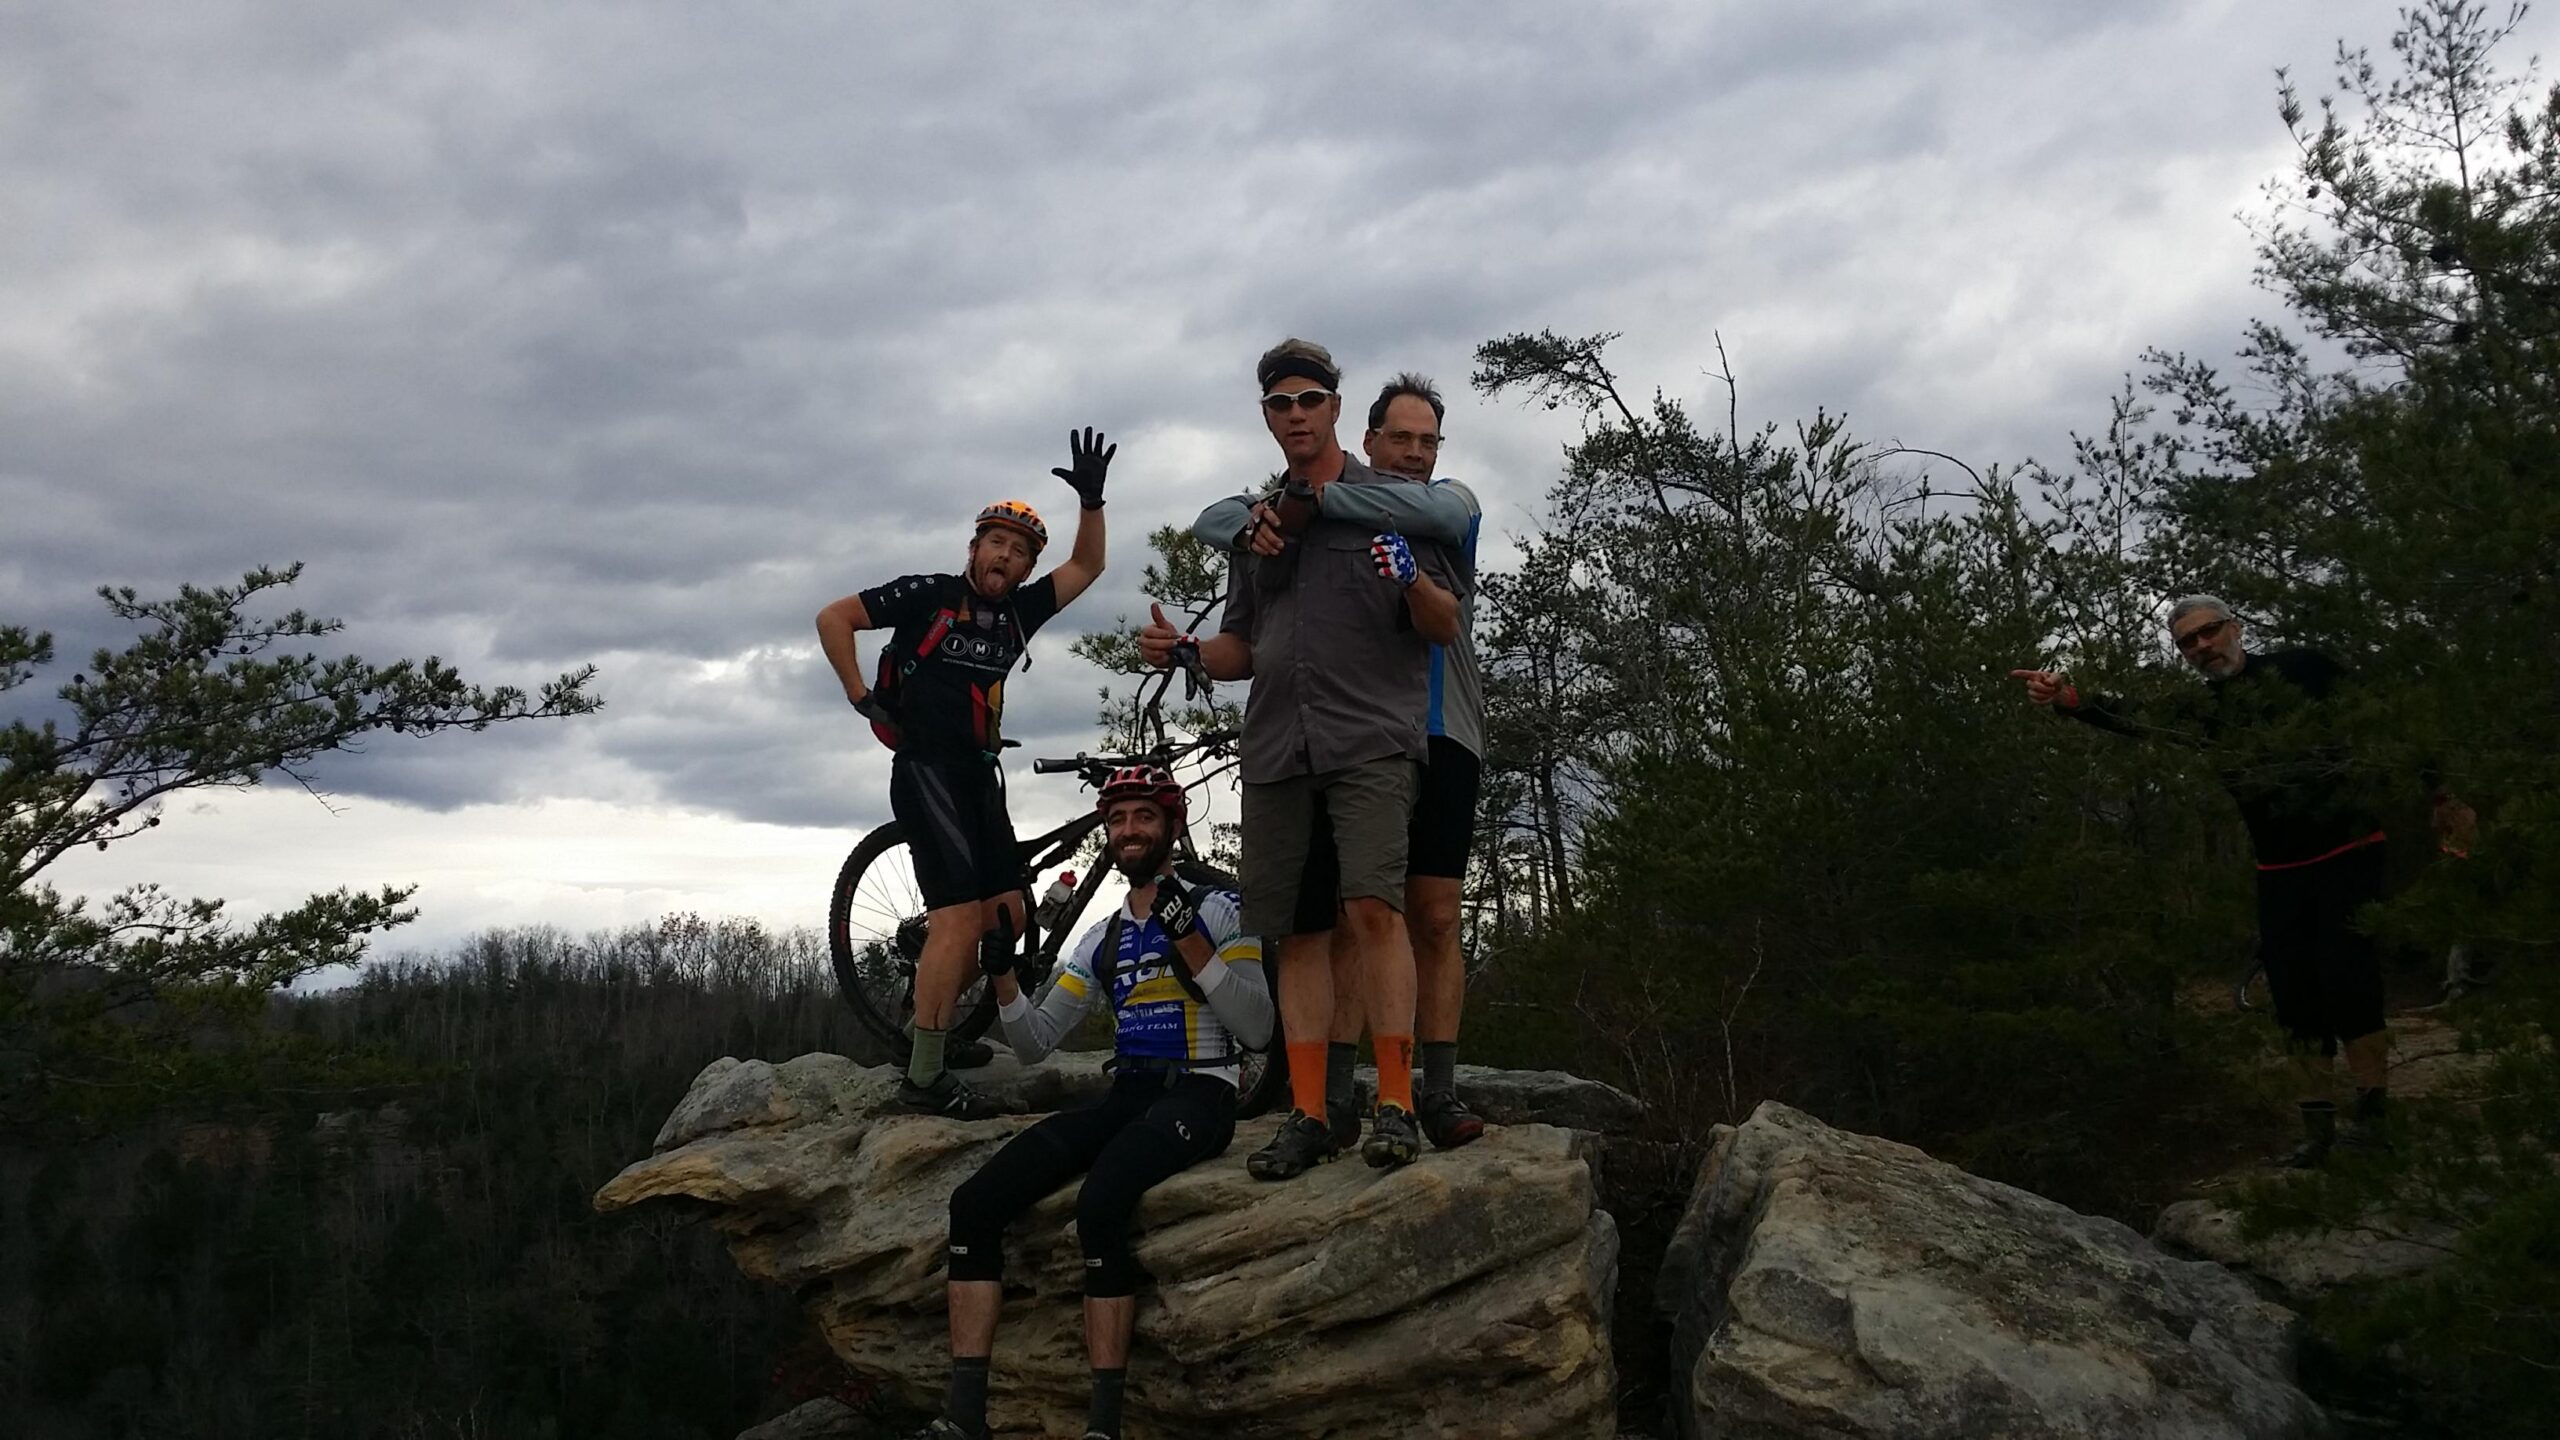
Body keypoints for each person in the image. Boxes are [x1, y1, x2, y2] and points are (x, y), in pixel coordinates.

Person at [1142, 339, 1459, 1178]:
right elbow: (1243, 647)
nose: (1296, 415)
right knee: (1299, 935)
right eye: (1280, 404)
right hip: (1279, 746)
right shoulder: (1257, 527)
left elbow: (1443, 625)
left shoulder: (1393, 503)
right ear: (1267, 417)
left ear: (1335, 409)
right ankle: (1310, 1113)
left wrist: (1411, 580)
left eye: (1310, 400)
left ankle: (1396, 1104)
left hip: (1370, 741)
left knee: (1375, 913)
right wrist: (1185, 652)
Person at [2013, 595, 2462, 1166]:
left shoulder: (2304, 668)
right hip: (2278, 870)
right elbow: (2133, 717)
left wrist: (2442, 795)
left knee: (2348, 980)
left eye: (2210, 632)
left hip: (2349, 850)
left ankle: (2375, 1121)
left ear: (2236, 627)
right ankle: (2318, 1132)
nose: (2202, 646)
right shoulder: (2202, 710)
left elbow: (2388, 718)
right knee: (2295, 996)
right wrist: (2069, 700)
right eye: (2188, 642)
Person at [921, 765, 1272, 1440]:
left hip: (1201, 1092)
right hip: (1128, 1093)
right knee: (974, 1204)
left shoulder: (1223, 909)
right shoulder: (1101, 937)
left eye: (1143, 816)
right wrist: (1002, 978)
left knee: (1101, 1202)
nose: (1127, 831)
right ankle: (965, 1419)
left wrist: (1191, 942)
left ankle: (1103, 1427)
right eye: (1116, 820)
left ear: (1173, 824)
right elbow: (1035, 1043)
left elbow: (1258, 1028)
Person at [816, 430, 1114, 1118]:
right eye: (996, 543)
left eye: (1020, 551)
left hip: (980, 772)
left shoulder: (1019, 614)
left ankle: (932, 1030)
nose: (1005, 556)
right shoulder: (930, 594)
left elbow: (1088, 565)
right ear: (974, 548)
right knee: (955, 918)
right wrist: (859, 693)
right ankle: (923, 1077)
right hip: (925, 768)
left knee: (1009, 914)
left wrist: (1092, 503)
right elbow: (835, 617)